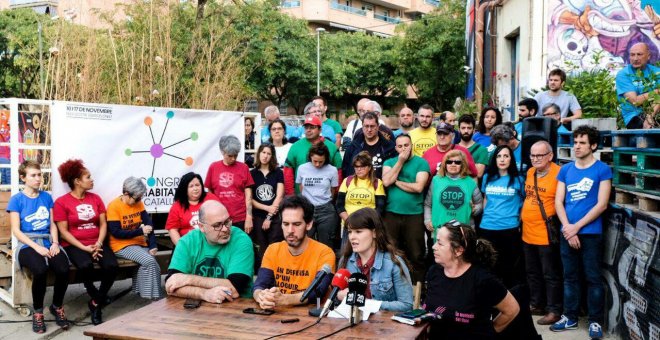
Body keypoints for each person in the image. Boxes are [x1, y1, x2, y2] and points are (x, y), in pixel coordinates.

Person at [550, 125, 612, 340]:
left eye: (582, 142)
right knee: (570, 277)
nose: (577, 146)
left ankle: (595, 320)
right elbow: (559, 201)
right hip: (568, 232)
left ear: (593, 145)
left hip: (591, 233)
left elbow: (602, 204)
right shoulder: (565, 170)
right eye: (575, 142)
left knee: (593, 278)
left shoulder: (602, 169)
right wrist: (568, 228)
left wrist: (576, 227)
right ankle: (570, 317)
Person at [424, 221, 520, 338]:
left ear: (458, 250)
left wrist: (490, 332)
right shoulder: (434, 272)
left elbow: (512, 309)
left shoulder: (482, 279)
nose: (434, 247)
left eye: (440, 243)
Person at [54, 159, 117, 325]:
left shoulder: (95, 198)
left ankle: (95, 303)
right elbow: (63, 232)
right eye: (88, 177)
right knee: (84, 265)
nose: (92, 179)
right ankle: (95, 294)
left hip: (97, 242)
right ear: (77, 181)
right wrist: (84, 248)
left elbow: (103, 224)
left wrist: (98, 243)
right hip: (75, 244)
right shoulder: (62, 202)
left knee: (112, 266)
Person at [8, 161, 70, 333]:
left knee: (64, 268)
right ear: (23, 178)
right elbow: (16, 231)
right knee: (40, 270)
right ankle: (38, 313)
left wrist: (56, 243)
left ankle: (56, 306)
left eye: (39, 174)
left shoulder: (46, 197)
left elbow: (52, 225)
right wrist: (36, 247)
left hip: (48, 241)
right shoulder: (16, 200)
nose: (38, 178)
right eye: (33, 175)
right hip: (27, 244)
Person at [253, 195, 336, 309]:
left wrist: (284, 299)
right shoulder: (273, 249)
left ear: (309, 224)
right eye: (286, 224)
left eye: (296, 224)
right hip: (278, 317)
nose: (290, 231)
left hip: (311, 316)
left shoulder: (325, 253)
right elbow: (260, 284)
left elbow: (318, 292)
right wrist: (261, 296)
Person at [165, 200, 254, 302]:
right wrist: (204, 294)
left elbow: (233, 290)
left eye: (227, 222)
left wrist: (188, 279)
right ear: (202, 227)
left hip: (237, 307)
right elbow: (171, 285)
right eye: (217, 225)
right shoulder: (187, 241)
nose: (225, 229)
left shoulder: (241, 240)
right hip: (196, 309)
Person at [337, 208, 413, 312]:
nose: (352, 237)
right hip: (352, 324)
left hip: (385, 326)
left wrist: (367, 304)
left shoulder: (393, 262)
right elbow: (336, 302)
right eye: (350, 232)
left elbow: (407, 305)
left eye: (358, 231)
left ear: (374, 233)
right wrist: (338, 295)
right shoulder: (345, 260)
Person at [521, 141, 563, 325]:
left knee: (550, 274)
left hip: (546, 234)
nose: (535, 159)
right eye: (532, 155)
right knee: (532, 272)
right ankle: (536, 303)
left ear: (550, 156)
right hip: (527, 233)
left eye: (540, 155)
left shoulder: (559, 173)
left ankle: (554, 310)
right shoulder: (530, 172)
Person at [382, 134, 430, 284]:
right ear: (396, 148)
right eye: (400, 146)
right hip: (391, 214)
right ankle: (394, 286)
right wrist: (400, 162)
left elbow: (418, 187)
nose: (404, 149)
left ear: (412, 145)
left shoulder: (421, 163)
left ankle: (418, 290)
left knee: (416, 254)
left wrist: (396, 182)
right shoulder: (390, 162)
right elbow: (386, 181)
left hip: (414, 214)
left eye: (406, 145)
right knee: (391, 252)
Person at [107, 177, 162, 300]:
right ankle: (153, 298)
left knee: (153, 264)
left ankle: (140, 292)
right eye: (137, 198)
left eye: (140, 198)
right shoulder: (114, 206)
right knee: (149, 262)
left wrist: (153, 245)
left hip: (138, 243)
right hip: (120, 245)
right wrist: (140, 231)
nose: (139, 200)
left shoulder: (138, 203)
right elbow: (116, 233)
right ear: (126, 194)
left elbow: (149, 225)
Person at [479, 145, 525, 288]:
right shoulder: (488, 177)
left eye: (506, 156)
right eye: (499, 156)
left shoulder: (518, 180)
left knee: (508, 266)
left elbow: (524, 202)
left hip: (509, 228)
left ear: (511, 159)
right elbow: (486, 199)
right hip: (487, 227)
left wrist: (519, 222)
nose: (502, 159)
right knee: (488, 265)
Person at [424, 150, 482, 241]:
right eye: (449, 162)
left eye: (457, 162)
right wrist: (427, 221)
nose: (453, 164)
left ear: (462, 165)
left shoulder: (470, 182)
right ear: (445, 164)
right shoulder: (436, 180)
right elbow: (428, 204)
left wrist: (475, 209)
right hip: (439, 229)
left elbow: (479, 204)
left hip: (463, 232)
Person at [205, 135, 255, 234]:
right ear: (223, 152)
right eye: (230, 155)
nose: (233, 158)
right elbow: (210, 194)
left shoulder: (244, 167)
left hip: (240, 218)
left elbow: (248, 195)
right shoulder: (213, 167)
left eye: (235, 155)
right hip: (219, 219)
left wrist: (249, 217)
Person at [336, 151, 386, 244]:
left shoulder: (377, 183)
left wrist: (367, 223)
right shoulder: (347, 181)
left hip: (367, 226)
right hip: (349, 226)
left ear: (369, 167)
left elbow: (380, 208)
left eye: (362, 167)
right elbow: (339, 205)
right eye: (356, 167)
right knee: (345, 256)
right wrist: (349, 222)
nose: (359, 169)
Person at [284, 115, 342, 195]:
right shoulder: (295, 147)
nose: (308, 130)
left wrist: (335, 196)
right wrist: (291, 196)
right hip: (301, 199)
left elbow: (339, 172)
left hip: (324, 200)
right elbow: (288, 172)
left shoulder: (331, 147)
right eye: (306, 127)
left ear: (320, 130)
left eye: (312, 127)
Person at [296, 143, 339, 249]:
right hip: (307, 209)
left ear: (326, 159)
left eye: (321, 161)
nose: (317, 164)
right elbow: (301, 186)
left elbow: (333, 190)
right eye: (315, 161)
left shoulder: (332, 170)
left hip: (326, 210)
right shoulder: (302, 168)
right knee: (304, 242)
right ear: (310, 157)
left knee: (326, 244)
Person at [250, 143, 285, 267]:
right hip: (258, 216)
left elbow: (279, 195)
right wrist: (266, 208)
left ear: (272, 156)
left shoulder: (278, 172)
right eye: (263, 152)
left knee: (275, 246)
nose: (265, 156)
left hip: (275, 217)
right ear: (259, 153)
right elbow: (250, 199)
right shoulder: (252, 173)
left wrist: (269, 216)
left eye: (269, 153)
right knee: (261, 248)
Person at [165, 172, 220, 246]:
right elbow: (173, 230)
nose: (195, 189)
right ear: (185, 189)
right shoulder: (177, 206)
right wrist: (181, 248)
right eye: (191, 186)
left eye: (197, 185)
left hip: (211, 243)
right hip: (188, 245)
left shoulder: (211, 198)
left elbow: (222, 219)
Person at [615, 42, 660, 129]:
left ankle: (649, 117)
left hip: (656, 112)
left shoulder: (657, 72)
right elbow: (636, 101)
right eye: (632, 55)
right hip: (635, 117)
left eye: (639, 54)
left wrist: (650, 114)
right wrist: (657, 91)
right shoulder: (623, 74)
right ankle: (649, 118)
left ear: (648, 56)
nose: (635, 58)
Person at [341, 112, 396, 179]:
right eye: (366, 126)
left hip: (380, 187)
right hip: (357, 187)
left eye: (372, 126)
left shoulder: (388, 147)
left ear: (378, 126)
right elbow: (345, 169)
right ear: (362, 127)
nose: (369, 130)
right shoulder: (353, 146)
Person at [457, 114, 489, 179]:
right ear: (459, 130)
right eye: (463, 128)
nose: (466, 131)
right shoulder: (453, 148)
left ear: (474, 130)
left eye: (469, 128)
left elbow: (478, 173)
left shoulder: (482, 150)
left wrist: (457, 167)